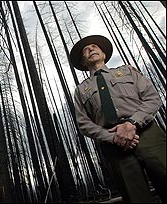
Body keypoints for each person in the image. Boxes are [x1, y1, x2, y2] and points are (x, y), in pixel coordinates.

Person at [71, 35, 166, 203]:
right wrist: (113, 137)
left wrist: (132, 123)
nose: (91, 49)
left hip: (148, 135)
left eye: (94, 46)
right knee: (135, 196)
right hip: (114, 146)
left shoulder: (128, 71)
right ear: (83, 62)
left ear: (104, 54)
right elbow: (84, 124)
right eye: (86, 49)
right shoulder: (81, 90)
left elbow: (152, 99)